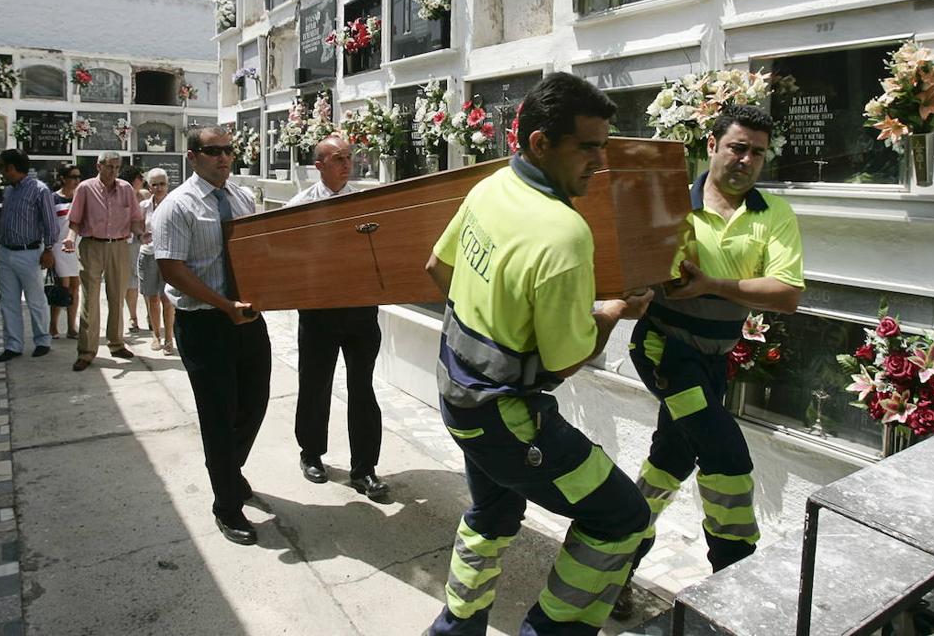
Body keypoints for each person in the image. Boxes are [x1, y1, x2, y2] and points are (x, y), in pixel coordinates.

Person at [423, 73, 655, 636]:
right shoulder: (564, 234)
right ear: (539, 143)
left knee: (492, 513)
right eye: (587, 147)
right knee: (625, 517)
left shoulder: (491, 187)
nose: (599, 162)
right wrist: (614, 311)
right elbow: (562, 362)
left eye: (604, 145)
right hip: (507, 419)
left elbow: (437, 269)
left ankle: (455, 628)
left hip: (457, 395)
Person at [612, 104, 804, 618]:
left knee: (670, 460)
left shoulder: (774, 215)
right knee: (728, 458)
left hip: (715, 356)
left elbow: (785, 293)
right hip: (664, 348)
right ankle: (734, 589)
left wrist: (714, 284)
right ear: (713, 146)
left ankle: (610, 567)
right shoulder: (673, 202)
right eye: (737, 147)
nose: (745, 160)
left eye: (757, 153)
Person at [154, 126, 271, 546]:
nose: (223, 158)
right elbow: (172, 270)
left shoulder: (240, 197)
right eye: (213, 151)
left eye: (228, 150)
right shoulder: (177, 206)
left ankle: (228, 471)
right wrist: (225, 306)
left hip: (249, 318)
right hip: (205, 323)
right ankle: (226, 505)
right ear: (192, 156)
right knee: (218, 416)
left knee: (254, 403)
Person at [286, 135, 388, 501]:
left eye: (349, 157)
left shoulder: (365, 203)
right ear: (319, 165)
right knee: (315, 384)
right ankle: (311, 453)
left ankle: (365, 469)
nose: (347, 164)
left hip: (361, 311)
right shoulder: (300, 207)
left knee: (363, 388)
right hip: (318, 312)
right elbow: (290, 259)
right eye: (338, 158)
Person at [62, 152, 143, 371]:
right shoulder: (85, 189)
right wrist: (70, 239)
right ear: (99, 166)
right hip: (92, 245)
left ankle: (116, 343)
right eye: (110, 167)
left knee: (117, 295)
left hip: (119, 246)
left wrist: (141, 234)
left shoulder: (126, 189)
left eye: (117, 168)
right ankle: (87, 351)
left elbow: (135, 220)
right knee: (91, 299)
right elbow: (75, 221)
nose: (114, 172)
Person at [0, 149, 59, 362]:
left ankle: (42, 340)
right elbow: (5, 220)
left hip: (29, 253)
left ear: (12, 167)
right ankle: (13, 344)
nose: (1, 171)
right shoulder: (9, 191)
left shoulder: (40, 190)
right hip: (6, 253)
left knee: (35, 300)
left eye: (2, 166)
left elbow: (50, 223)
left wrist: (49, 249)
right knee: (8, 301)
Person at [138, 167, 175, 353]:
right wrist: (140, 235)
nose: (159, 188)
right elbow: (136, 229)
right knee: (152, 299)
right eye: (155, 184)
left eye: (162, 184)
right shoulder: (143, 207)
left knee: (167, 299)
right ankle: (156, 335)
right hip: (148, 254)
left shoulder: (175, 204)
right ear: (149, 187)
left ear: (167, 185)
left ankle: (169, 338)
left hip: (169, 257)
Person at [49, 163, 81, 339]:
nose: (76, 180)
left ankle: (71, 327)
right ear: (63, 178)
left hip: (76, 247)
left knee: (75, 287)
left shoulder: (80, 198)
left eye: (78, 177)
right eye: (73, 177)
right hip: (59, 247)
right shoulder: (53, 198)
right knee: (62, 286)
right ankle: (53, 325)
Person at [119, 165, 146, 333]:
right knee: (130, 282)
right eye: (140, 177)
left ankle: (151, 316)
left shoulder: (145, 195)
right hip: (127, 242)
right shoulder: (121, 196)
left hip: (144, 242)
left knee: (146, 281)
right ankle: (133, 317)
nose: (142, 181)